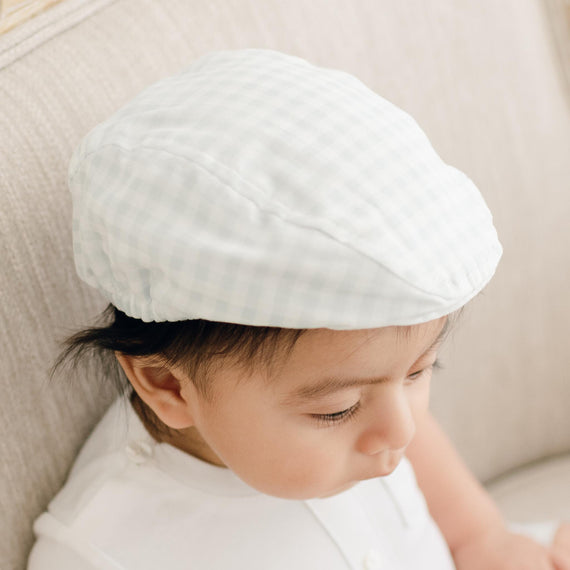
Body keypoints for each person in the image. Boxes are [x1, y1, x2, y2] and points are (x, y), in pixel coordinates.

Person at [28, 48, 570, 569]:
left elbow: (406, 436)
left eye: (419, 372)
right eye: (336, 409)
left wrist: (483, 539)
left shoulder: (365, 404)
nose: (401, 431)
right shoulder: (105, 552)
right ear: (168, 386)